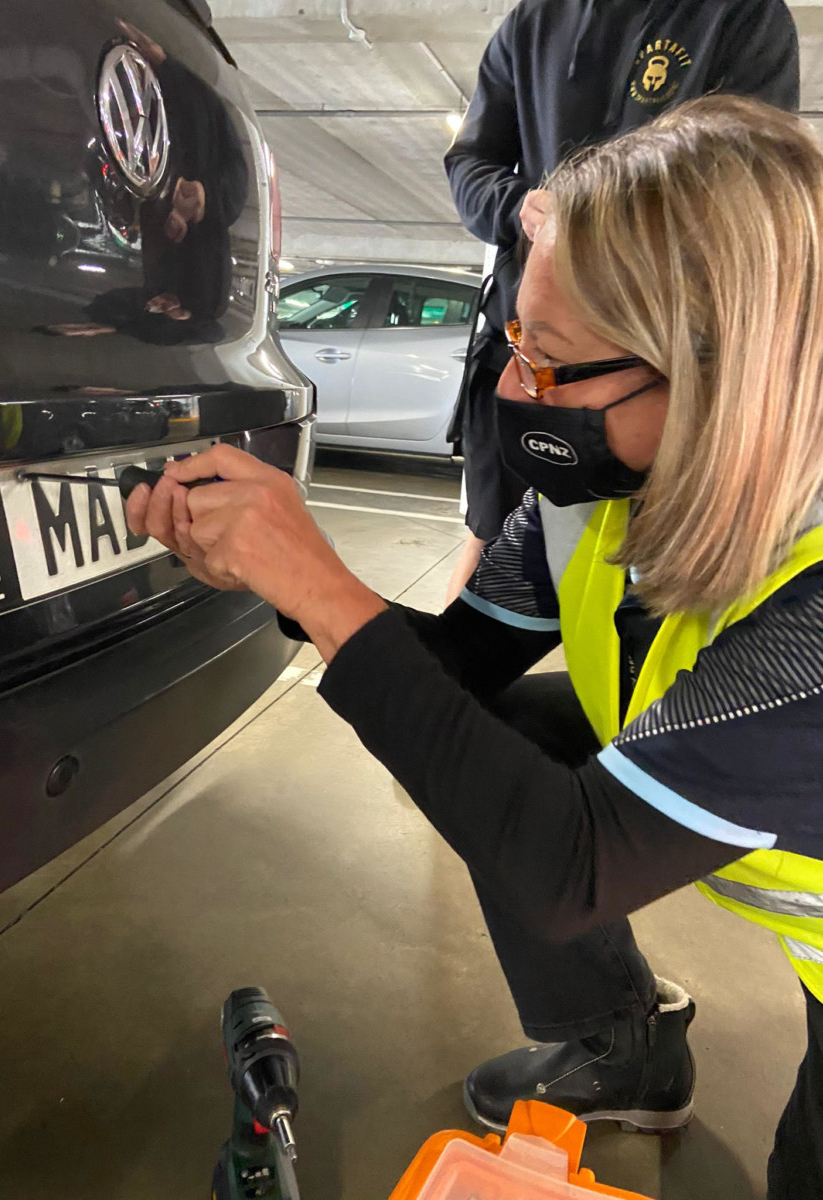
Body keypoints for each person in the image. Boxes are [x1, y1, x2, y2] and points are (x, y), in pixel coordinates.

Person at [126, 96, 823, 1195]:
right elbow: (449, 671)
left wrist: (321, 586)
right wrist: (283, 578)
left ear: (720, 382)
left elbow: (568, 868)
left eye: (553, 363)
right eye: (514, 343)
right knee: (496, 739)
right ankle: (621, 1042)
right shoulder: (594, 501)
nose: (511, 390)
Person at [442, 0, 799, 604]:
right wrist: (519, 206)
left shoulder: (741, 14)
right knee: (496, 538)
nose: (514, 393)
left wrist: (611, 236)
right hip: (532, 325)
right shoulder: (533, 22)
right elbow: (471, 162)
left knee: (652, 573)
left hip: (645, 352)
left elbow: (749, 185)